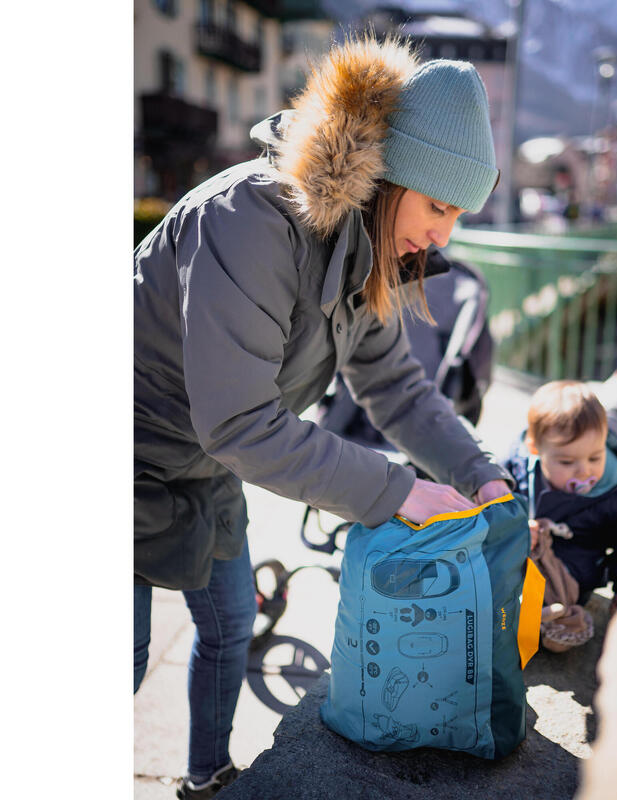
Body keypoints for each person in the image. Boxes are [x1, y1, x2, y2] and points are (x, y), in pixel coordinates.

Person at [134, 34, 512, 799]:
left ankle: (205, 777)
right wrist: (397, 490)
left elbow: (395, 387)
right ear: (387, 179)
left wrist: (478, 472)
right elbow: (242, 424)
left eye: (459, 215)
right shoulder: (248, 220)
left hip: (202, 468)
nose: (445, 235)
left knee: (233, 624)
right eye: (438, 206)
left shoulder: (368, 249)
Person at [502, 380, 617, 650]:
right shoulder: (517, 467)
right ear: (534, 448)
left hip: (574, 568)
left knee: (563, 594)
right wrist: (515, 525)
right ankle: (512, 615)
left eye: (595, 458)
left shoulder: (616, 494)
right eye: (567, 462)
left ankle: (554, 619)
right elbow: (495, 502)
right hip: (526, 554)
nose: (584, 472)